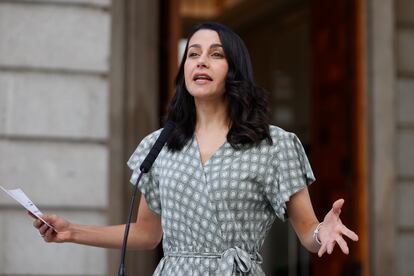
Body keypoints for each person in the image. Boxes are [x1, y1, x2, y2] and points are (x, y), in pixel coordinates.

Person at [32, 22, 359, 275]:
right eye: (193, 54)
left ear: (235, 70)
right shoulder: (159, 144)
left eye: (216, 54)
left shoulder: (274, 145)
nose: (201, 61)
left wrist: (321, 234)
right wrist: (72, 231)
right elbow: (147, 234)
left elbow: (307, 234)